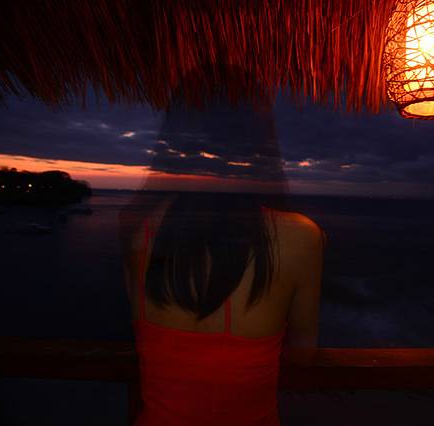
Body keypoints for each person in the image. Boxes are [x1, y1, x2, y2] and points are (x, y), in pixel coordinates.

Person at [118, 65, 325, 426]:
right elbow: (302, 356)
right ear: (259, 138)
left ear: (176, 136)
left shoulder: (137, 227)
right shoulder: (299, 238)